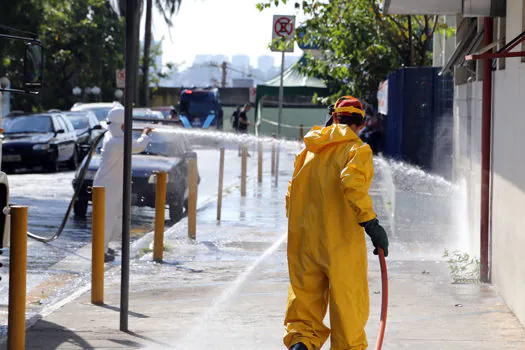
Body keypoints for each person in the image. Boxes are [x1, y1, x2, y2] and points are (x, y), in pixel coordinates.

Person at [284, 96, 389, 350]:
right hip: (340, 246)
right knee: (348, 319)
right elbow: (351, 185)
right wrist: (371, 223)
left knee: (304, 319)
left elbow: (290, 196)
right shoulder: (357, 150)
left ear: (334, 118)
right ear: (361, 124)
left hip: (304, 245)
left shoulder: (308, 151)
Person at [93, 105, 152, 262]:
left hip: (112, 186)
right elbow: (139, 145)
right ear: (121, 125)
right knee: (107, 219)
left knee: (116, 218)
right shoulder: (117, 142)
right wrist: (145, 133)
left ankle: (105, 248)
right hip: (107, 187)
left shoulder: (112, 138)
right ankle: (100, 252)